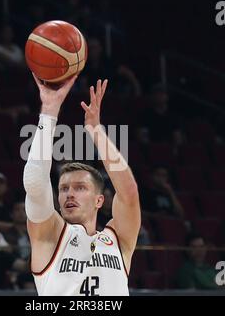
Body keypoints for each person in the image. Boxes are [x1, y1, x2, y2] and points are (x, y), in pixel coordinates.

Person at [23, 76, 141, 295]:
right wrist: (49, 110)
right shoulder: (51, 234)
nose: (69, 194)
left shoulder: (118, 238)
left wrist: (96, 131)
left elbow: (129, 193)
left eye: (80, 188)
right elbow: (34, 182)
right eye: (64, 188)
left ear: (99, 199)